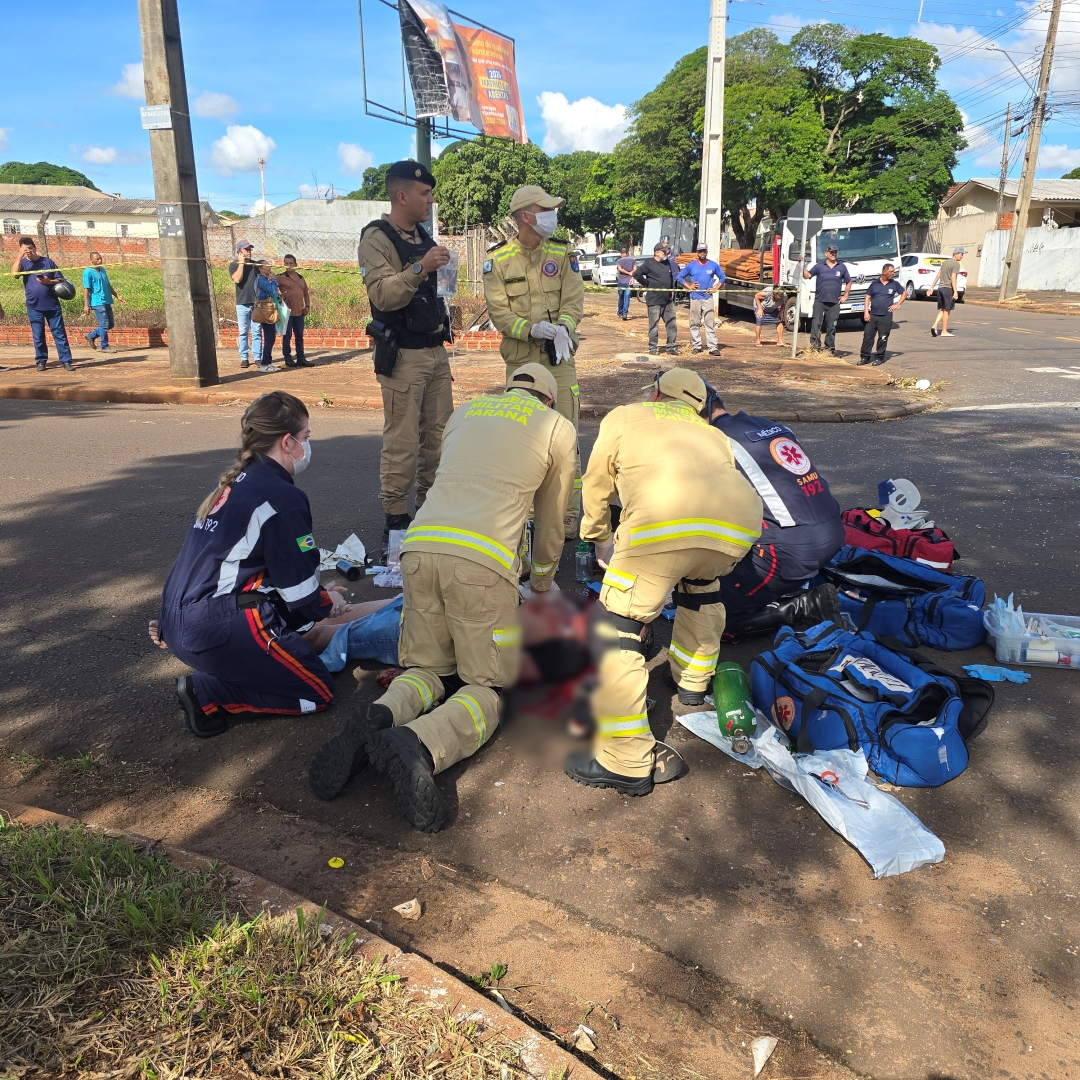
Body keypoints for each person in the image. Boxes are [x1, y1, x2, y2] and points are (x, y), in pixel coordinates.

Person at [308, 363, 576, 830]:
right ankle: (421, 743)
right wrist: (540, 584)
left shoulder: (467, 411)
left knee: (427, 668)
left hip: (419, 548)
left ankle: (378, 717)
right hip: (481, 561)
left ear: (509, 388)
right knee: (490, 684)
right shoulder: (556, 427)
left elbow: (441, 478)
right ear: (550, 400)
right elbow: (552, 520)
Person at [570, 368, 763, 796]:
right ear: (699, 407)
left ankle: (625, 761)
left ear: (656, 394)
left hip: (662, 523)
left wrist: (598, 537)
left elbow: (597, 482)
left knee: (617, 628)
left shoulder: (626, 416)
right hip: (737, 527)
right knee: (701, 590)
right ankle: (692, 683)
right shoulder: (713, 433)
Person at [158, 391, 337, 738]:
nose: (307, 445)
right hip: (216, 629)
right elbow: (300, 595)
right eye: (306, 437)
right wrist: (328, 602)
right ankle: (207, 692)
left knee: (293, 638)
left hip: (178, 622)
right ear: (287, 442)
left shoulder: (232, 485)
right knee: (316, 692)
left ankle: (238, 668)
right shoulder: (282, 497)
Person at [357, 160, 454, 553]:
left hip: (435, 352)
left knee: (439, 437)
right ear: (402, 196)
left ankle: (430, 510)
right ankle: (396, 519)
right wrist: (420, 267)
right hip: (403, 356)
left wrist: (443, 271)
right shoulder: (376, 238)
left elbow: (439, 290)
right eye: (424, 194)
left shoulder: (424, 236)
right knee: (403, 441)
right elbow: (383, 295)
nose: (430, 200)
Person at [484, 183, 585, 539]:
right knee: (523, 441)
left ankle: (566, 516)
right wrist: (532, 329)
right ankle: (527, 518)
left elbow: (574, 302)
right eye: (546, 210)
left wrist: (564, 329)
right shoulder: (498, 261)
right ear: (527, 217)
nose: (553, 216)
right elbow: (500, 314)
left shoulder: (562, 253)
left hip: (560, 361)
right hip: (521, 365)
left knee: (566, 438)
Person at [703, 385, 843, 637]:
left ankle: (802, 607)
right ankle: (782, 588)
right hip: (832, 531)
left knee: (701, 612)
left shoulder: (714, 440)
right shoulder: (766, 424)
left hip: (791, 552)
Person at [11, 236, 74, 371]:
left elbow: (60, 279)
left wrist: (48, 282)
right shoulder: (23, 263)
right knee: (38, 335)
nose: (28, 251)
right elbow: (14, 275)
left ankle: (66, 361)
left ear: (35, 248)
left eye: (30, 248)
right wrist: (19, 256)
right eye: (24, 249)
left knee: (59, 334)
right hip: (34, 306)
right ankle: (41, 361)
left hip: (52, 305)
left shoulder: (47, 262)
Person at [676, 244, 725, 355]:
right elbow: (679, 277)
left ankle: (713, 347)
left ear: (706, 252)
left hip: (708, 298)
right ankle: (696, 346)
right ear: (697, 252)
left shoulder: (713, 265)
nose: (702, 253)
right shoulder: (691, 265)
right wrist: (689, 286)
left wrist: (715, 289)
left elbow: (723, 277)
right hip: (695, 298)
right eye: (700, 251)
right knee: (694, 322)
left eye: (704, 251)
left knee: (710, 322)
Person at [803, 243, 851, 354]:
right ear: (826, 253)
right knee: (816, 324)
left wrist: (845, 295)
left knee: (831, 326)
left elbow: (848, 281)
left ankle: (829, 348)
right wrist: (802, 264)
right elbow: (807, 275)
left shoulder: (841, 266)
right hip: (820, 300)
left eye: (835, 252)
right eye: (831, 252)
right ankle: (815, 347)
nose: (834, 254)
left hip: (834, 302)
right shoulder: (820, 266)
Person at [633, 244, 677, 356]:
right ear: (657, 252)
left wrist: (672, 289)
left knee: (671, 324)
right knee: (654, 326)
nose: (666, 253)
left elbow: (671, 277)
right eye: (664, 251)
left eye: (667, 251)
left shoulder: (667, 263)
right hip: (654, 300)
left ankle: (671, 347)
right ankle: (653, 348)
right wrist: (646, 283)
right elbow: (636, 274)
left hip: (667, 300)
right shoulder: (649, 263)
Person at [859, 263, 906, 366]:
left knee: (883, 337)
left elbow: (904, 293)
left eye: (893, 272)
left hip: (886, 316)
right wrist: (866, 312)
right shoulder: (874, 283)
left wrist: (897, 304)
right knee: (868, 337)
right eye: (891, 272)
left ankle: (879, 357)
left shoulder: (894, 284)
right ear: (884, 272)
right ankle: (865, 357)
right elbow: (867, 297)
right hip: (873, 315)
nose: (893, 273)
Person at [81, 251, 126, 352]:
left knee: (110, 324)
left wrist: (117, 296)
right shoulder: (88, 272)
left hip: (106, 300)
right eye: (97, 259)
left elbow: (108, 285)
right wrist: (86, 305)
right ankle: (104, 346)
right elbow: (86, 289)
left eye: (100, 258)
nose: (100, 260)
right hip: (97, 302)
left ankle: (91, 336)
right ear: (91, 260)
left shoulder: (102, 270)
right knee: (104, 324)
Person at [276, 254, 314, 367]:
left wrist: (307, 306)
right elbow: (271, 289)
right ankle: (287, 358)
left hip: (299, 312)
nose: (289, 265)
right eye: (286, 263)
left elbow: (306, 293)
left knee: (299, 336)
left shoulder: (301, 278)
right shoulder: (280, 277)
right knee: (287, 336)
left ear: (296, 264)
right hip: (287, 312)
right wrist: (279, 299)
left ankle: (301, 358)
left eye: (291, 263)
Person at [229, 240, 261, 369]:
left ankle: (257, 357)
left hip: (256, 303)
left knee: (257, 332)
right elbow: (237, 279)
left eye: (250, 249)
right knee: (243, 332)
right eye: (246, 249)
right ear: (240, 251)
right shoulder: (234, 265)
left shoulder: (255, 265)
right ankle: (244, 358)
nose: (249, 251)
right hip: (242, 303)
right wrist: (241, 263)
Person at [930, 247, 964, 338]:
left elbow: (938, 275)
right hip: (948, 289)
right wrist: (955, 291)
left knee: (943, 309)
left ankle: (935, 325)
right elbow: (953, 279)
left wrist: (932, 287)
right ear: (955, 254)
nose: (962, 256)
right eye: (961, 254)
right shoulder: (956, 264)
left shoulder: (945, 263)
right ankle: (944, 331)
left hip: (940, 288)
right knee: (947, 310)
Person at [254, 263, 282, 373]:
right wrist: (274, 280)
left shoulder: (264, 279)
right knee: (270, 338)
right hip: (265, 309)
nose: (269, 267)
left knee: (270, 337)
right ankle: (265, 364)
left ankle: (268, 363)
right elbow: (272, 291)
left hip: (268, 308)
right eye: (266, 265)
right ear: (260, 268)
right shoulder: (261, 279)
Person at [615, 246, 636, 320]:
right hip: (629, 282)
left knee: (621, 297)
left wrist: (628, 273)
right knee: (627, 298)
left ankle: (620, 312)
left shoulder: (619, 261)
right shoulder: (633, 260)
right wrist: (631, 274)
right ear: (627, 253)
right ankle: (625, 313)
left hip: (621, 282)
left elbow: (620, 269)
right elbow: (635, 269)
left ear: (621, 254)